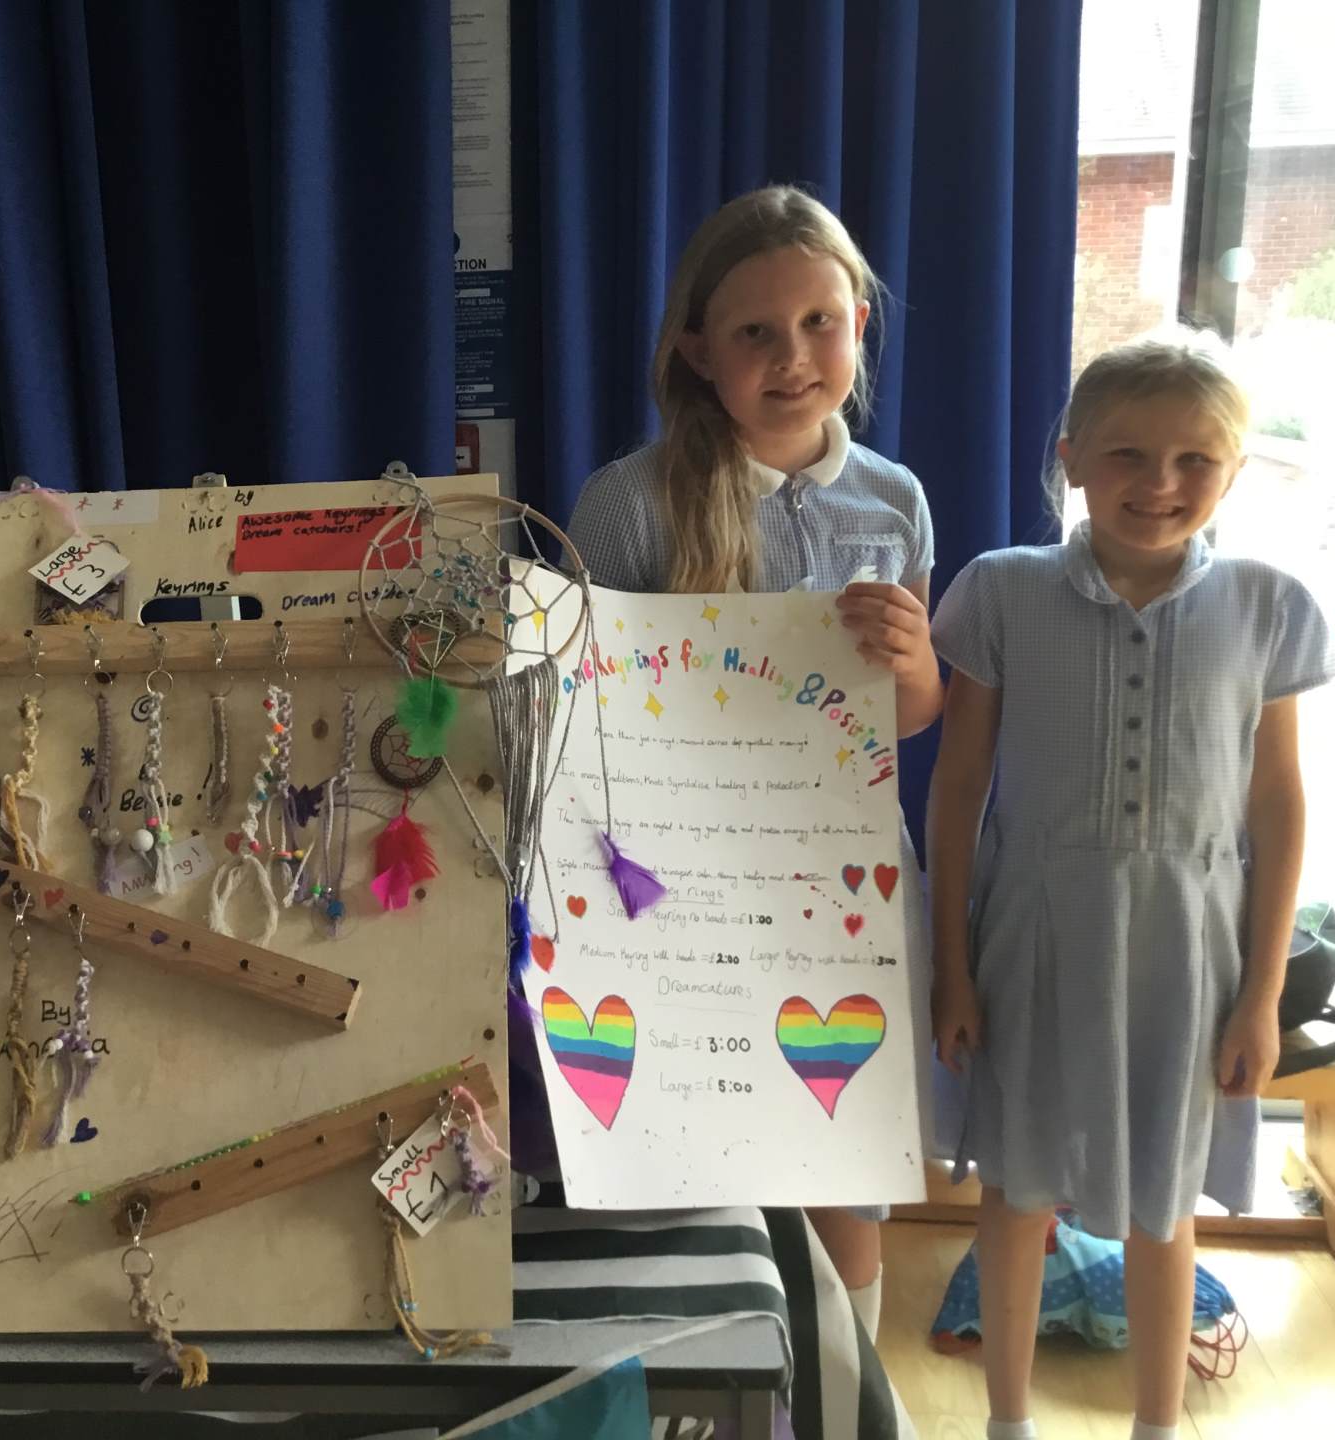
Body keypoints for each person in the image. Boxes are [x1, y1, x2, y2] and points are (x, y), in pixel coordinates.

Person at [927, 337, 1334, 1440]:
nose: (1159, 483)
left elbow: (1278, 804)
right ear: (1070, 458)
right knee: (1016, 1191)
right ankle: (1007, 1422)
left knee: (1166, 1197)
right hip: (1032, 936)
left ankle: (1158, 1423)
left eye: (1195, 459)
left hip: (1188, 952)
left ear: (1234, 471)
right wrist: (952, 967)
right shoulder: (1001, 592)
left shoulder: (1267, 606)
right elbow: (958, 787)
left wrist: (1261, 995)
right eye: (1127, 454)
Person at [564, 185, 943, 1339]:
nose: (792, 357)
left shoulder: (894, 500)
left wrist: (914, 661)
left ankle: (843, 1388)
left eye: (820, 322)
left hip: (846, 883)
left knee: (845, 1172)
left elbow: (908, 719)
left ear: (859, 325)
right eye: (755, 332)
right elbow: (584, 724)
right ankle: (716, 1388)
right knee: (696, 1158)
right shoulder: (630, 503)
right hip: (685, 888)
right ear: (697, 350)